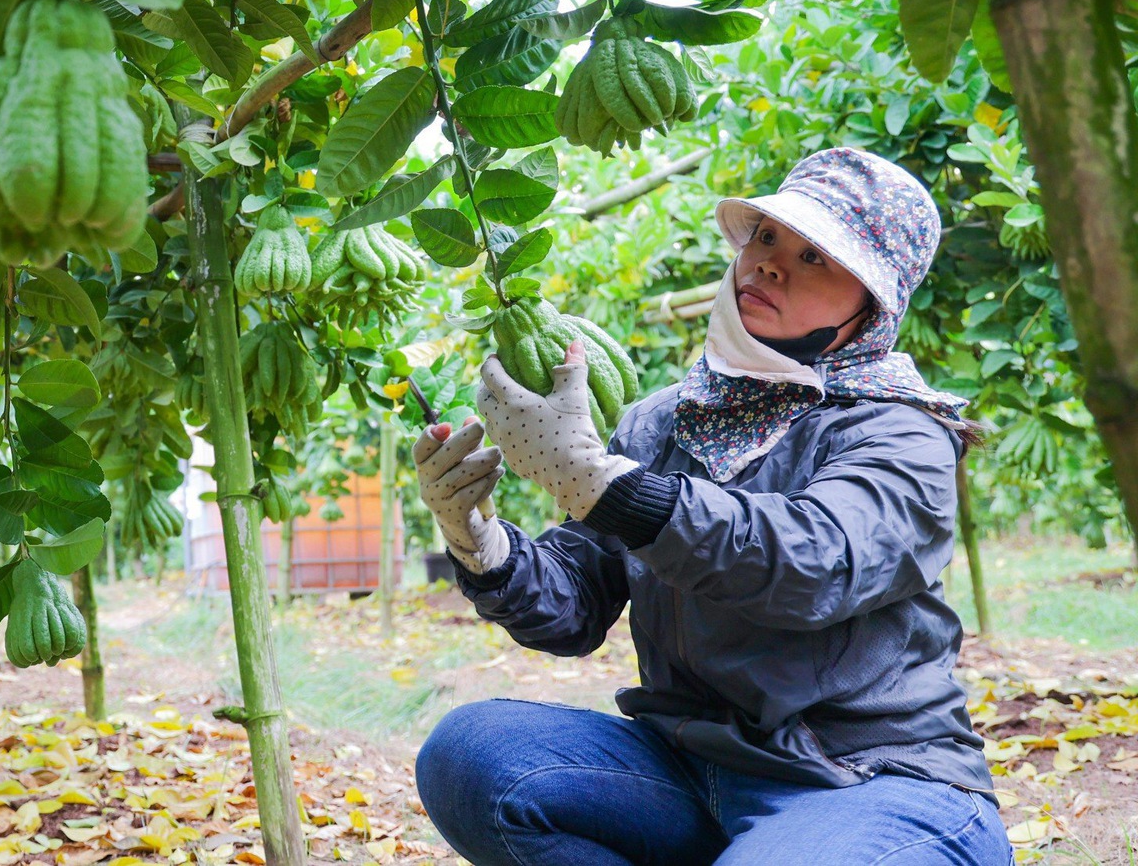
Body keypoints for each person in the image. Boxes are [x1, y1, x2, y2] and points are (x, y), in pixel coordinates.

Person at [412, 148, 1011, 865]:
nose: (768, 265)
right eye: (765, 238)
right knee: (471, 755)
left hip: (867, 780)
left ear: (871, 306)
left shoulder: (900, 432)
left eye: (815, 257)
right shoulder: (663, 421)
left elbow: (813, 563)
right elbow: (574, 608)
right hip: (689, 770)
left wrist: (606, 485)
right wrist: (480, 541)